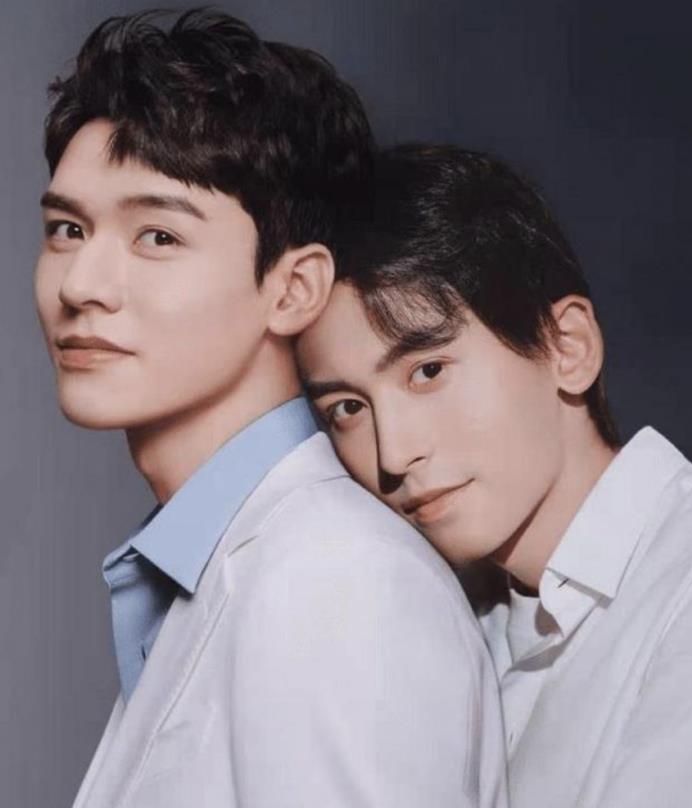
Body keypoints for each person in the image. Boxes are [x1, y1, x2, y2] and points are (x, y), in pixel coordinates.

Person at [35, 15, 506, 808]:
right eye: (67, 229)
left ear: (292, 289)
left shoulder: (335, 582)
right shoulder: (237, 568)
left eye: (157, 236)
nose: (81, 283)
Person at [297, 143, 692, 808]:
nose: (393, 453)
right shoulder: (440, 631)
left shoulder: (683, 584)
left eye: (428, 371)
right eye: (347, 408)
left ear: (568, 347)